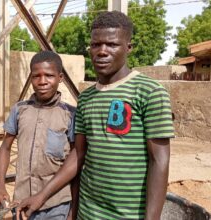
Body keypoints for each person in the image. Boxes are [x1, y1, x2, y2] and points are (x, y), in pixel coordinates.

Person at [17, 11, 175, 220]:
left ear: (128, 47)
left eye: (112, 45)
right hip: (87, 213)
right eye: (95, 45)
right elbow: (78, 155)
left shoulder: (149, 92)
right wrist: (42, 196)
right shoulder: (87, 98)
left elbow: (159, 161)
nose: (102, 51)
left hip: (128, 215)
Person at [0, 50, 76, 220]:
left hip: (56, 204)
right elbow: (5, 148)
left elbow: (75, 162)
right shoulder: (20, 110)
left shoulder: (70, 114)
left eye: (49, 76)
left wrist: (73, 210)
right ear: (31, 79)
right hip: (21, 202)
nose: (42, 81)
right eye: (36, 76)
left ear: (60, 78)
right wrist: (0, 185)